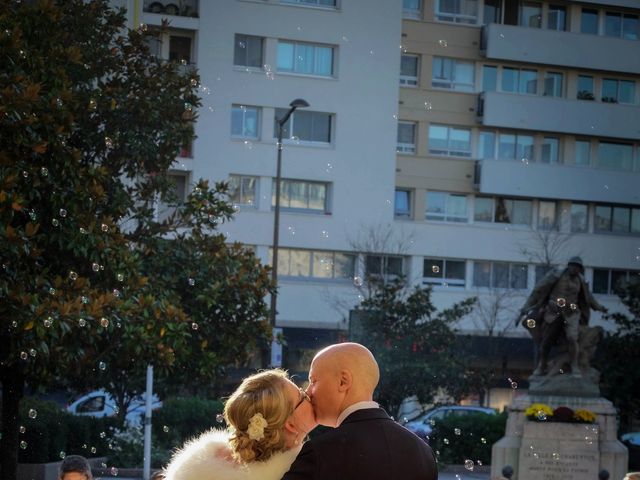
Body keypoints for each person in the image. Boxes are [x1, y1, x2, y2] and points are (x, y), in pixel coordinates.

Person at [282, 342, 438, 480]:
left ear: (343, 382)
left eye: (313, 381)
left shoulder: (322, 452)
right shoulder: (423, 453)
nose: (308, 392)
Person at [164, 369, 316, 480]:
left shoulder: (198, 467)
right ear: (290, 424)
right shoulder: (305, 471)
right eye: (302, 395)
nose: (309, 394)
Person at [519, 256, 607, 376]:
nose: (575, 269)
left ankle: (574, 365)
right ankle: (542, 364)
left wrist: (599, 307)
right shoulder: (556, 276)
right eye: (573, 265)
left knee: (572, 338)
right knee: (546, 341)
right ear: (569, 265)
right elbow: (538, 291)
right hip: (553, 311)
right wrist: (526, 306)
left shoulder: (580, 281)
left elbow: (589, 298)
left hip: (571, 312)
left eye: (577, 267)